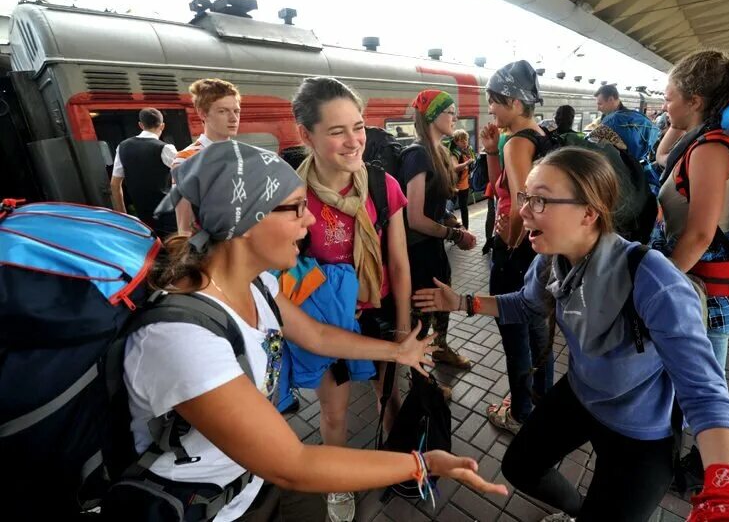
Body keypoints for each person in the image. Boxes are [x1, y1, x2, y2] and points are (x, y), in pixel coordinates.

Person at [120, 140, 507, 521]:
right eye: (296, 209)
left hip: (253, 479)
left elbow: (317, 336)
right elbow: (294, 463)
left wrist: (397, 351)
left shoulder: (258, 284)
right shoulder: (183, 337)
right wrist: (422, 464)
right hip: (205, 505)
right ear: (247, 221)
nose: (309, 221)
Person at [413, 147, 729, 522]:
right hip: (581, 394)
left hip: (642, 432)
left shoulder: (652, 278)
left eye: (540, 200)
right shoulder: (551, 258)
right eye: (526, 197)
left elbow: (706, 392)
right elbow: (526, 304)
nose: (524, 209)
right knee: (520, 466)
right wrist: (462, 302)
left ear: (589, 213)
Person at [290, 76, 411, 521]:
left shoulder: (383, 187)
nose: (353, 141)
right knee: (334, 413)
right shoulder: (292, 196)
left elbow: (398, 266)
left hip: (377, 314)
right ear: (306, 135)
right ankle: (337, 486)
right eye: (337, 131)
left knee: (389, 398)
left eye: (357, 127)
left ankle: (398, 464)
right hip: (328, 322)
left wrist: (402, 329)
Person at [656, 50, 729, 371]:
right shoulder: (714, 141)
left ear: (694, 101)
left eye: (669, 99)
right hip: (705, 289)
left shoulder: (711, 150)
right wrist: (678, 122)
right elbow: (663, 158)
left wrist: (655, 287)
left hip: (705, 295)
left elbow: (700, 234)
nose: (665, 106)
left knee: (700, 399)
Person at [478, 61, 553, 434]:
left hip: (517, 253)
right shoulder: (538, 135)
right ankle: (540, 401)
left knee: (514, 330)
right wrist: (492, 151)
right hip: (537, 252)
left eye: (493, 101)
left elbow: (523, 204)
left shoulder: (519, 142)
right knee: (538, 328)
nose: (491, 109)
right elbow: (501, 188)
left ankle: (520, 411)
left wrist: (508, 246)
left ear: (511, 100)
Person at [400, 90, 476, 371]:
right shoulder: (417, 155)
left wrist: (452, 221)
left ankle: (441, 349)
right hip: (418, 252)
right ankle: (420, 377)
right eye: (450, 112)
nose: (455, 117)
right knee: (422, 314)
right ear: (432, 116)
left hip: (434, 249)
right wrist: (456, 235)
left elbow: (434, 206)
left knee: (442, 298)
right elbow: (415, 218)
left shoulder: (440, 153)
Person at [172, 78, 242, 234]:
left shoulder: (244, 154)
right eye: (223, 111)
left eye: (236, 111)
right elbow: (185, 226)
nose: (233, 118)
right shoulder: (186, 159)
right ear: (203, 114)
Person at [110, 107, 177, 238]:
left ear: (141, 125)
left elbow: (114, 185)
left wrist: (124, 216)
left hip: (144, 218)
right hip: (170, 215)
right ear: (162, 126)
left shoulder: (122, 147)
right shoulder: (165, 148)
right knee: (177, 252)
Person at [450, 129, 475, 229]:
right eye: (462, 140)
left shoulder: (468, 152)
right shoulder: (455, 153)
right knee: (450, 209)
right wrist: (467, 163)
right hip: (454, 187)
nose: (465, 142)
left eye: (466, 140)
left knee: (464, 209)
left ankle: (466, 229)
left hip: (465, 185)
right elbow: (455, 167)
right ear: (456, 142)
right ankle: (452, 229)